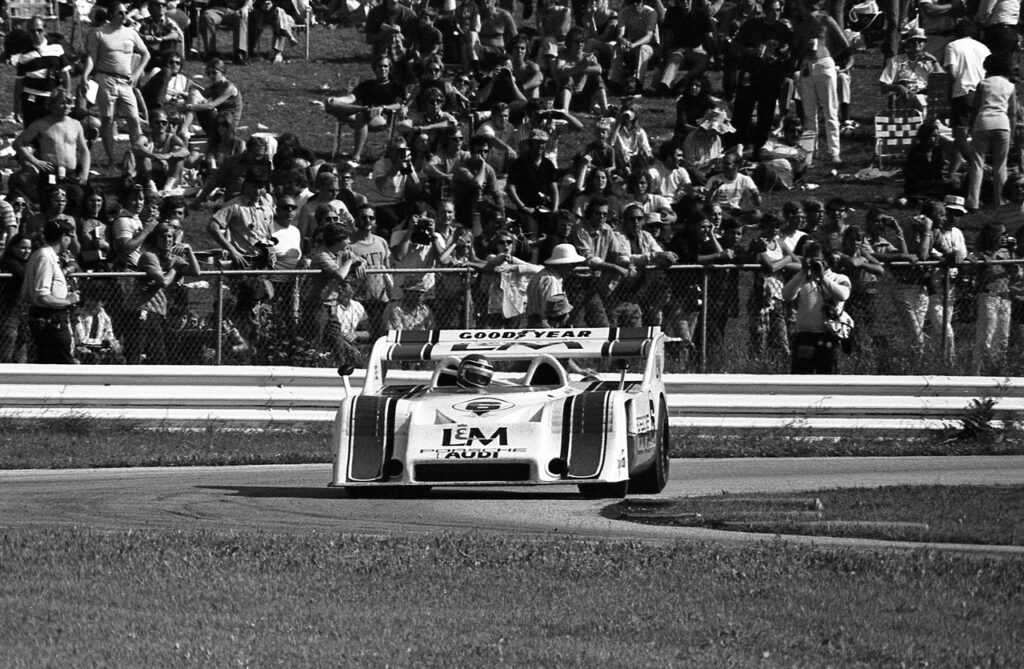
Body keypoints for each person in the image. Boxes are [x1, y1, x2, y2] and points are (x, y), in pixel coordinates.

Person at [80, 2, 151, 168]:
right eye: (120, 13)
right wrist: (85, 75)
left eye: (125, 12)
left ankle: (137, 156)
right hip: (106, 78)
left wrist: (137, 73)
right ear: (111, 15)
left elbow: (145, 53)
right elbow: (91, 57)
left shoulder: (131, 32)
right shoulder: (99, 33)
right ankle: (111, 159)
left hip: (126, 81)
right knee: (107, 119)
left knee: (134, 118)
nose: (124, 15)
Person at [126, 222, 201, 364]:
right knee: (136, 353)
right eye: (162, 237)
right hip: (142, 309)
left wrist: (189, 250)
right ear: (155, 239)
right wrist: (174, 268)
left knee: (159, 356)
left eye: (170, 237)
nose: (167, 240)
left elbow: (196, 272)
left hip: (158, 311)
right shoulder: (149, 256)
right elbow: (164, 282)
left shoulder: (173, 258)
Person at [12, 91, 90, 216]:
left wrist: (84, 173)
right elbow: (18, 143)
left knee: (77, 203)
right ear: (52, 105)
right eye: (62, 103)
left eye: (69, 103)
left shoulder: (76, 124)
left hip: (71, 175)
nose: (66, 106)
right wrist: (35, 161)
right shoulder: (41, 124)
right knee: (51, 207)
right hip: (50, 172)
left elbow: (84, 151)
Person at [782, 239, 852, 374]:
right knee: (800, 380)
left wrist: (822, 277)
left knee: (827, 378)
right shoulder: (803, 279)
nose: (814, 263)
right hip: (804, 336)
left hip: (828, 336)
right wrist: (803, 272)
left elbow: (842, 295)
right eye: (810, 259)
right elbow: (786, 295)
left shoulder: (839, 278)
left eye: (817, 259)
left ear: (826, 259)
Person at [21, 218, 80, 363]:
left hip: (49, 318)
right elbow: (42, 296)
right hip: (51, 319)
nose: (70, 241)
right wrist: (68, 300)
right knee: (64, 365)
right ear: (63, 237)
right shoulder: (45, 257)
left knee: (47, 365)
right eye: (70, 237)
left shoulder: (47, 255)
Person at [966, 54, 1017, 211]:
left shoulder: (983, 84)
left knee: (977, 164)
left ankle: (972, 202)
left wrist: (971, 126)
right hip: (1002, 124)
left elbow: (975, 108)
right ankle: (1001, 201)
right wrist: (1013, 133)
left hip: (983, 123)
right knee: (1000, 166)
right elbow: (1013, 113)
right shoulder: (1010, 86)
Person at [969, 220, 1017, 373]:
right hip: (989, 296)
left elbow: (1015, 272)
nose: (1005, 237)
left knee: (1002, 337)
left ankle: (997, 369)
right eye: (1002, 235)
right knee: (986, 335)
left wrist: (1011, 251)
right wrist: (995, 250)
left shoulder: (1007, 253)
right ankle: (978, 370)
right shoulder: (981, 253)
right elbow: (974, 262)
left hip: (1005, 297)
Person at [207, 168, 276, 268]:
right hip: (243, 261)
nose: (257, 191)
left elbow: (269, 233)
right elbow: (212, 226)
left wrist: (271, 250)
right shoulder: (234, 205)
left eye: (261, 187)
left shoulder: (267, 205)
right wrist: (232, 250)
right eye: (254, 187)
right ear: (246, 185)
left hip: (262, 262)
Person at [11, 16, 72, 128]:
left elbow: (65, 74)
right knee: (33, 135)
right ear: (28, 32)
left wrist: (67, 95)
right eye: (32, 31)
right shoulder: (24, 54)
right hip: (32, 100)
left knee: (54, 134)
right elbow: (19, 84)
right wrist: (16, 108)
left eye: (39, 30)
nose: (36, 34)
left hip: (53, 99)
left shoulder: (56, 47)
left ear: (45, 30)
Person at [879, 28, 943, 112]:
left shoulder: (928, 62)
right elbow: (883, 86)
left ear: (924, 44)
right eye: (913, 41)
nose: (917, 43)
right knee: (918, 99)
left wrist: (934, 60)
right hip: (905, 98)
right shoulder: (897, 60)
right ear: (908, 43)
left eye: (920, 41)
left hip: (926, 96)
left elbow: (942, 80)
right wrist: (898, 87)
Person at [525, 242, 586, 327]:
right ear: (563, 265)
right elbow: (551, 308)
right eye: (571, 267)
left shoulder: (542, 275)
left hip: (535, 321)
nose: (571, 270)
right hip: (544, 324)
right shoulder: (551, 280)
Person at [0, 234, 33, 363]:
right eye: (23, 248)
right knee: (6, 352)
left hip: (23, 313)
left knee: (21, 351)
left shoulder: (28, 263)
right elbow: (23, 275)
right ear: (13, 247)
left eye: (29, 248)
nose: (27, 251)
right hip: (9, 313)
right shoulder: (8, 262)